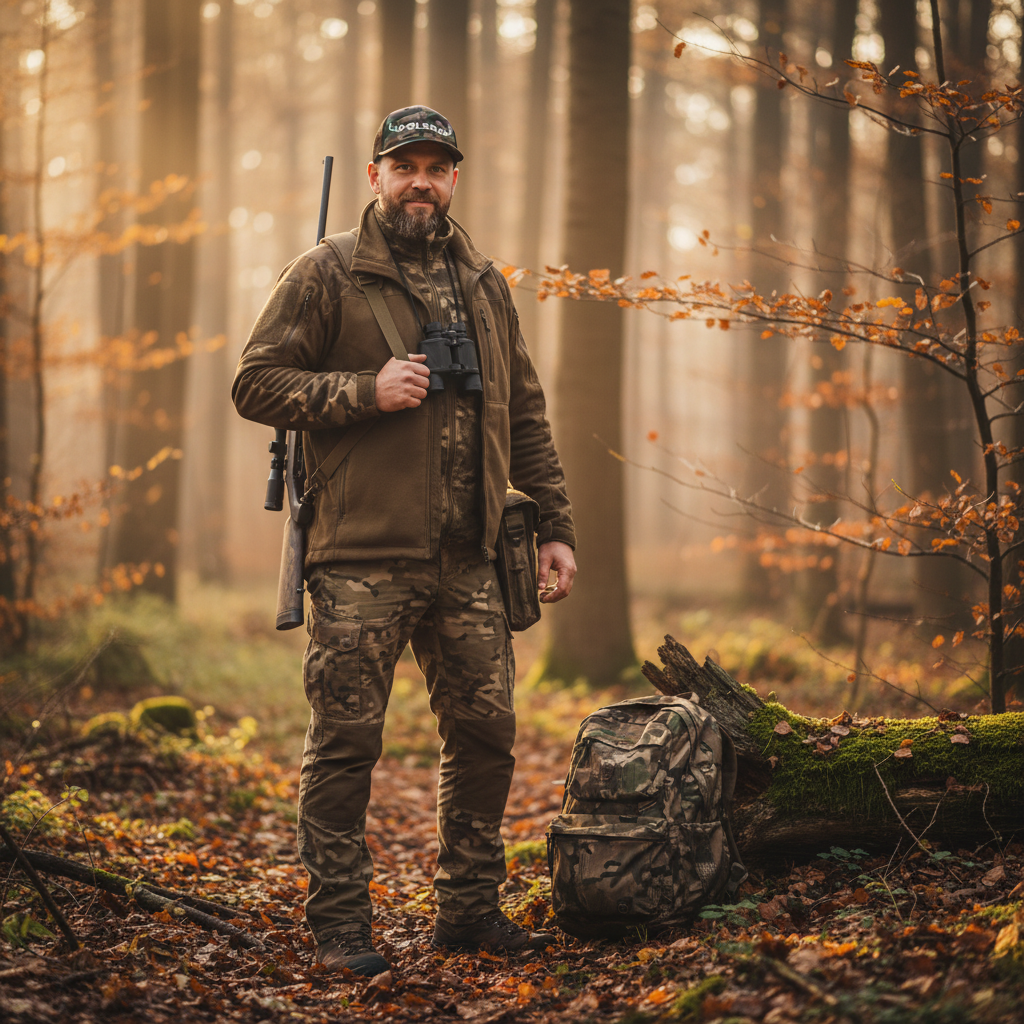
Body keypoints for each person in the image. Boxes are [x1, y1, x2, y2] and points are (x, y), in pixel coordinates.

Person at [232, 106, 577, 977]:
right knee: (346, 744)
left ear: (454, 178)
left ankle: (469, 913)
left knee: (487, 737)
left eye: (436, 167)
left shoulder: (485, 282)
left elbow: (525, 415)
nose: (420, 181)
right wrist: (363, 391)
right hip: (360, 558)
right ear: (377, 176)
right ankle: (341, 930)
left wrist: (554, 527)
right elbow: (255, 383)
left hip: (472, 557)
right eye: (404, 165)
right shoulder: (326, 272)